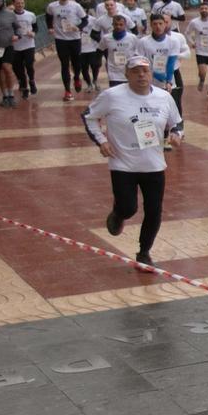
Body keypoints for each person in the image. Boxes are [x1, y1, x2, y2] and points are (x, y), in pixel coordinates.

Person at [83, 53, 184, 268]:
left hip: (154, 164)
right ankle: (119, 214)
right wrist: (101, 141)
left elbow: (177, 123)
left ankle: (144, 252)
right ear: (126, 74)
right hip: (123, 164)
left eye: (145, 70)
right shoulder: (112, 96)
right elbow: (89, 116)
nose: (141, 75)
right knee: (129, 208)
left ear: (150, 73)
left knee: (154, 209)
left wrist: (176, 134)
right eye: (136, 71)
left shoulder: (164, 97)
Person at [138, 10, 189, 127]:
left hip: (168, 79)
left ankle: (175, 129)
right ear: (151, 25)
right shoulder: (143, 42)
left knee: (171, 105)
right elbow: (142, 62)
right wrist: (155, 74)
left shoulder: (173, 41)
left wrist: (168, 81)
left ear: (165, 24)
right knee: (153, 108)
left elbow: (171, 62)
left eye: (160, 23)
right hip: (150, 80)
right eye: (155, 24)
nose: (158, 26)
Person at [47, 0, 87, 101]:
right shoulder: (52, 6)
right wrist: (50, 27)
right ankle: (67, 91)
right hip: (60, 39)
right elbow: (48, 17)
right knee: (64, 64)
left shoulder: (76, 6)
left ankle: (77, 78)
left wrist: (78, 28)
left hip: (74, 38)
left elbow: (85, 20)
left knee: (76, 63)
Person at [8, 0, 39, 100]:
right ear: (14, 4)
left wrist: (33, 33)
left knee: (29, 65)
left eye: (22, 3)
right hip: (15, 46)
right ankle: (24, 87)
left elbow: (35, 27)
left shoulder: (30, 15)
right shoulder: (10, 16)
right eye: (17, 3)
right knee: (18, 68)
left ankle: (32, 80)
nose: (20, 5)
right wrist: (12, 36)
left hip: (29, 44)